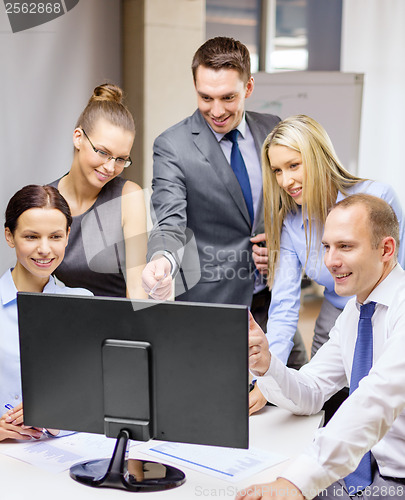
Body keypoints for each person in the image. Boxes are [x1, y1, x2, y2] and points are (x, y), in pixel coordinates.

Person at [142, 37, 307, 379]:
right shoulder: (171, 146)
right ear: (195, 86)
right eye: (206, 97)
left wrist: (281, 249)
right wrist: (162, 261)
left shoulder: (272, 128)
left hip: (275, 304)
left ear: (248, 86)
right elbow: (171, 222)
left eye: (228, 97)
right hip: (212, 308)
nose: (216, 111)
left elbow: (295, 206)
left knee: (296, 404)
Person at [237, 194, 405, 500]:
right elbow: (312, 391)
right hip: (352, 471)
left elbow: (374, 401)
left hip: (396, 479)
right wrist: (266, 364)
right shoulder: (355, 313)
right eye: (326, 247)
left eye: (345, 246)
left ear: (386, 249)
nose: (330, 261)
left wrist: (297, 482)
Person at [255, 114, 405, 363]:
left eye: (293, 165)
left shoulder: (378, 198)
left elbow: (401, 275)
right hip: (334, 315)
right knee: (324, 396)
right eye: (277, 171)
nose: (285, 181)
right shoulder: (292, 222)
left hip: (388, 315)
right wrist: (268, 377)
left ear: (317, 157)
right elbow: (283, 308)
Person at [0, 184, 92, 441]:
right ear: (10, 236)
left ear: (67, 235)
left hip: (58, 458)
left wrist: (56, 418)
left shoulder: (82, 305)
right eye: (31, 237)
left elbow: (96, 401)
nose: (44, 249)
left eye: (55, 236)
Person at [49, 83, 147, 299]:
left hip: (121, 325)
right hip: (66, 321)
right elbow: (33, 285)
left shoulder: (128, 197)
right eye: (103, 152)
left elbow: (138, 291)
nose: (111, 168)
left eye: (121, 159)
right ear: (78, 138)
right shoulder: (46, 201)